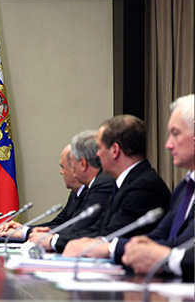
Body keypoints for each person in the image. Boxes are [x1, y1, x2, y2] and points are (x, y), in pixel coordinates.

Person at [65, 95, 194, 271]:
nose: (168, 145)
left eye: (175, 133)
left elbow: (181, 244)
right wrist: (131, 247)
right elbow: (157, 237)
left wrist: (111, 248)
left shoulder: (144, 186)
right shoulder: (183, 189)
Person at [62, 114, 171, 257]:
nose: (98, 154)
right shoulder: (125, 182)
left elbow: (111, 235)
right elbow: (99, 228)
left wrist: (56, 241)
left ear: (115, 150)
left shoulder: (143, 186)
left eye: (100, 148)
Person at [28, 130, 115, 252]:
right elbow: (68, 224)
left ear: (83, 163)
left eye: (72, 163)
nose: (71, 169)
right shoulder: (92, 185)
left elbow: (84, 229)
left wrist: (51, 239)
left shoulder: (103, 184)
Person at [0, 144, 85, 238]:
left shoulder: (92, 193)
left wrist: (24, 232)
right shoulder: (75, 193)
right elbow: (57, 223)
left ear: (75, 168)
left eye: (63, 167)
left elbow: (72, 229)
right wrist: (22, 228)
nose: (61, 172)